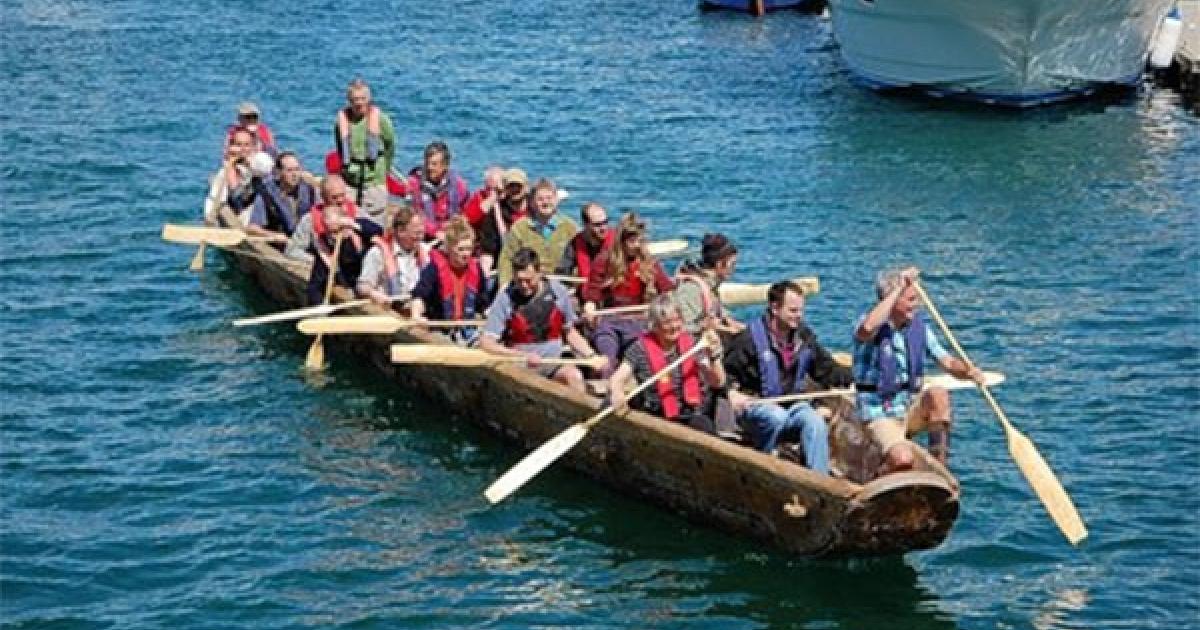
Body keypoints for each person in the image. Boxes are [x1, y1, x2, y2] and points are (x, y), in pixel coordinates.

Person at [852, 266, 985, 472]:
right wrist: (899, 287)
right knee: (903, 459)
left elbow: (947, 362)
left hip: (907, 406)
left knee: (938, 395)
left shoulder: (919, 328)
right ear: (893, 299)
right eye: (911, 299)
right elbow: (867, 329)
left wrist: (967, 371)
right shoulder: (870, 324)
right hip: (880, 411)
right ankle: (883, 469)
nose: (917, 305)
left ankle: (940, 469)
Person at [723, 281, 853, 473]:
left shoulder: (804, 338)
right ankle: (765, 466)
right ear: (775, 308)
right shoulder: (748, 339)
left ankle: (819, 481)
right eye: (793, 311)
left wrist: (861, 378)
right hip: (758, 409)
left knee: (814, 422)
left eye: (801, 310)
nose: (798, 316)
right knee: (776, 417)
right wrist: (731, 393)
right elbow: (725, 374)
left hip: (793, 407)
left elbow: (828, 371)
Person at [480, 248, 601, 392]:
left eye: (529, 280)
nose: (524, 286)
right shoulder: (505, 299)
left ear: (539, 273)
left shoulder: (558, 292)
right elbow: (486, 342)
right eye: (519, 281)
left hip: (552, 364)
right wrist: (522, 356)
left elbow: (570, 333)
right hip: (521, 368)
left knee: (574, 376)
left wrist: (591, 355)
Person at [609, 295, 726, 433]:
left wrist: (713, 357)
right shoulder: (639, 348)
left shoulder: (694, 345)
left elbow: (717, 382)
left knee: (704, 427)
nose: (674, 326)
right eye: (667, 322)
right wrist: (616, 393)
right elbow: (618, 377)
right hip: (657, 415)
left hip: (692, 413)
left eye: (677, 320)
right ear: (655, 326)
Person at [580, 212, 676, 376]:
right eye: (632, 241)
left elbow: (667, 291)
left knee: (642, 357)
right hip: (610, 322)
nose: (637, 245)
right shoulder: (604, 262)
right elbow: (592, 296)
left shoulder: (649, 263)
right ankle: (607, 387)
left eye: (640, 240)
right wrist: (589, 309)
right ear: (621, 242)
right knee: (607, 358)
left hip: (639, 322)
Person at [293, 175, 382, 306]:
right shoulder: (309, 220)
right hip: (328, 271)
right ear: (323, 197)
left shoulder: (356, 213)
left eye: (342, 195)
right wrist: (320, 260)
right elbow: (292, 250)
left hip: (358, 271)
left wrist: (353, 225)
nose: (340, 201)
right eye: (334, 197)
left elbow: (378, 231)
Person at [410, 216, 492, 345]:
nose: (466, 254)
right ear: (449, 248)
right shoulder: (433, 269)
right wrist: (416, 316)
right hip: (441, 329)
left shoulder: (476, 269)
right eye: (461, 249)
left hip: (469, 329)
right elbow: (419, 296)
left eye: (469, 249)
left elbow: (484, 303)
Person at [333, 78, 396, 226]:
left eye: (363, 99)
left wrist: (383, 169)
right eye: (355, 99)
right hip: (350, 179)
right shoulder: (341, 121)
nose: (359, 103)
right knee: (347, 218)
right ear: (349, 101)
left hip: (374, 179)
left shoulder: (381, 120)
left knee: (374, 222)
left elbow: (390, 145)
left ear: (369, 99)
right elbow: (340, 147)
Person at [496, 178, 579, 286]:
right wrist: (504, 285)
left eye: (549, 198)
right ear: (532, 202)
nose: (545, 202)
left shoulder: (570, 227)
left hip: (563, 285)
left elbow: (581, 259)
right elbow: (506, 259)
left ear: (556, 200)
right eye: (540, 199)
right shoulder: (520, 228)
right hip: (527, 286)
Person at [357, 204, 431, 308]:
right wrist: (373, 294)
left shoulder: (426, 251)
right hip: (389, 311)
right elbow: (362, 286)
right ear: (401, 231)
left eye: (422, 233)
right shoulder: (377, 253)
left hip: (418, 310)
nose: (421, 237)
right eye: (416, 233)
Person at [232, 151, 317, 239]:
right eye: (289, 170)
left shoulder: (309, 190)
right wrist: (274, 235)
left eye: (297, 169)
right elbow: (252, 228)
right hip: (281, 241)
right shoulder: (266, 194)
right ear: (279, 172)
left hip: (304, 238)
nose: (294, 174)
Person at [673, 233, 743, 337]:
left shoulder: (711, 285)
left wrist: (729, 321)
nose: (734, 269)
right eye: (732, 264)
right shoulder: (691, 290)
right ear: (719, 264)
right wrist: (703, 326)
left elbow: (716, 311)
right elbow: (679, 328)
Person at [406, 141, 469, 242]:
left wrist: (455, 226)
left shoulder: (458, 184)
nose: (429, 167)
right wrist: (435, 231)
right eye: (427, 163)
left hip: (450, 235)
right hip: (423, 236)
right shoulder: (415, 183)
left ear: (445, 166)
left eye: (434, 164)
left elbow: (465, 212)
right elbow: (414, 214)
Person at [476, 168, 531, 274]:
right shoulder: (495, 213)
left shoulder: (535, 209)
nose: (515, 189)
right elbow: (488, 248)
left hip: (530, 265)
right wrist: (485, 272)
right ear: (505, 188)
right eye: (511, 186)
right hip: (503, 265)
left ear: (526, 187)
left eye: (518, 186)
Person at [555, 202, 613, 278]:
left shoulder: (617, 241)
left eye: (605, 222)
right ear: (585, 224)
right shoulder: (575, 244)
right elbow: (562, 271)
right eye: (597, 224)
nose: (603, 228)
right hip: (586, 287)